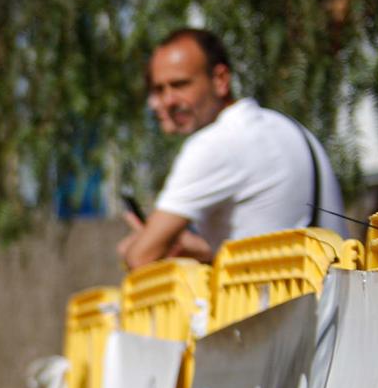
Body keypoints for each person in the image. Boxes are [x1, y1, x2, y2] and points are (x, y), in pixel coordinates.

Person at [118, 28, 344, 270]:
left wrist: (140, 243)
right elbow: (279, 238)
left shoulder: (213, 144)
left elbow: (140, 257)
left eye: (180, 84)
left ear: (220, 80)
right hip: (335, 298)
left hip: (281, 307)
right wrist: (197, 249)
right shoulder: (287, 127)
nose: (167, 100)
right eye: (159, 89)